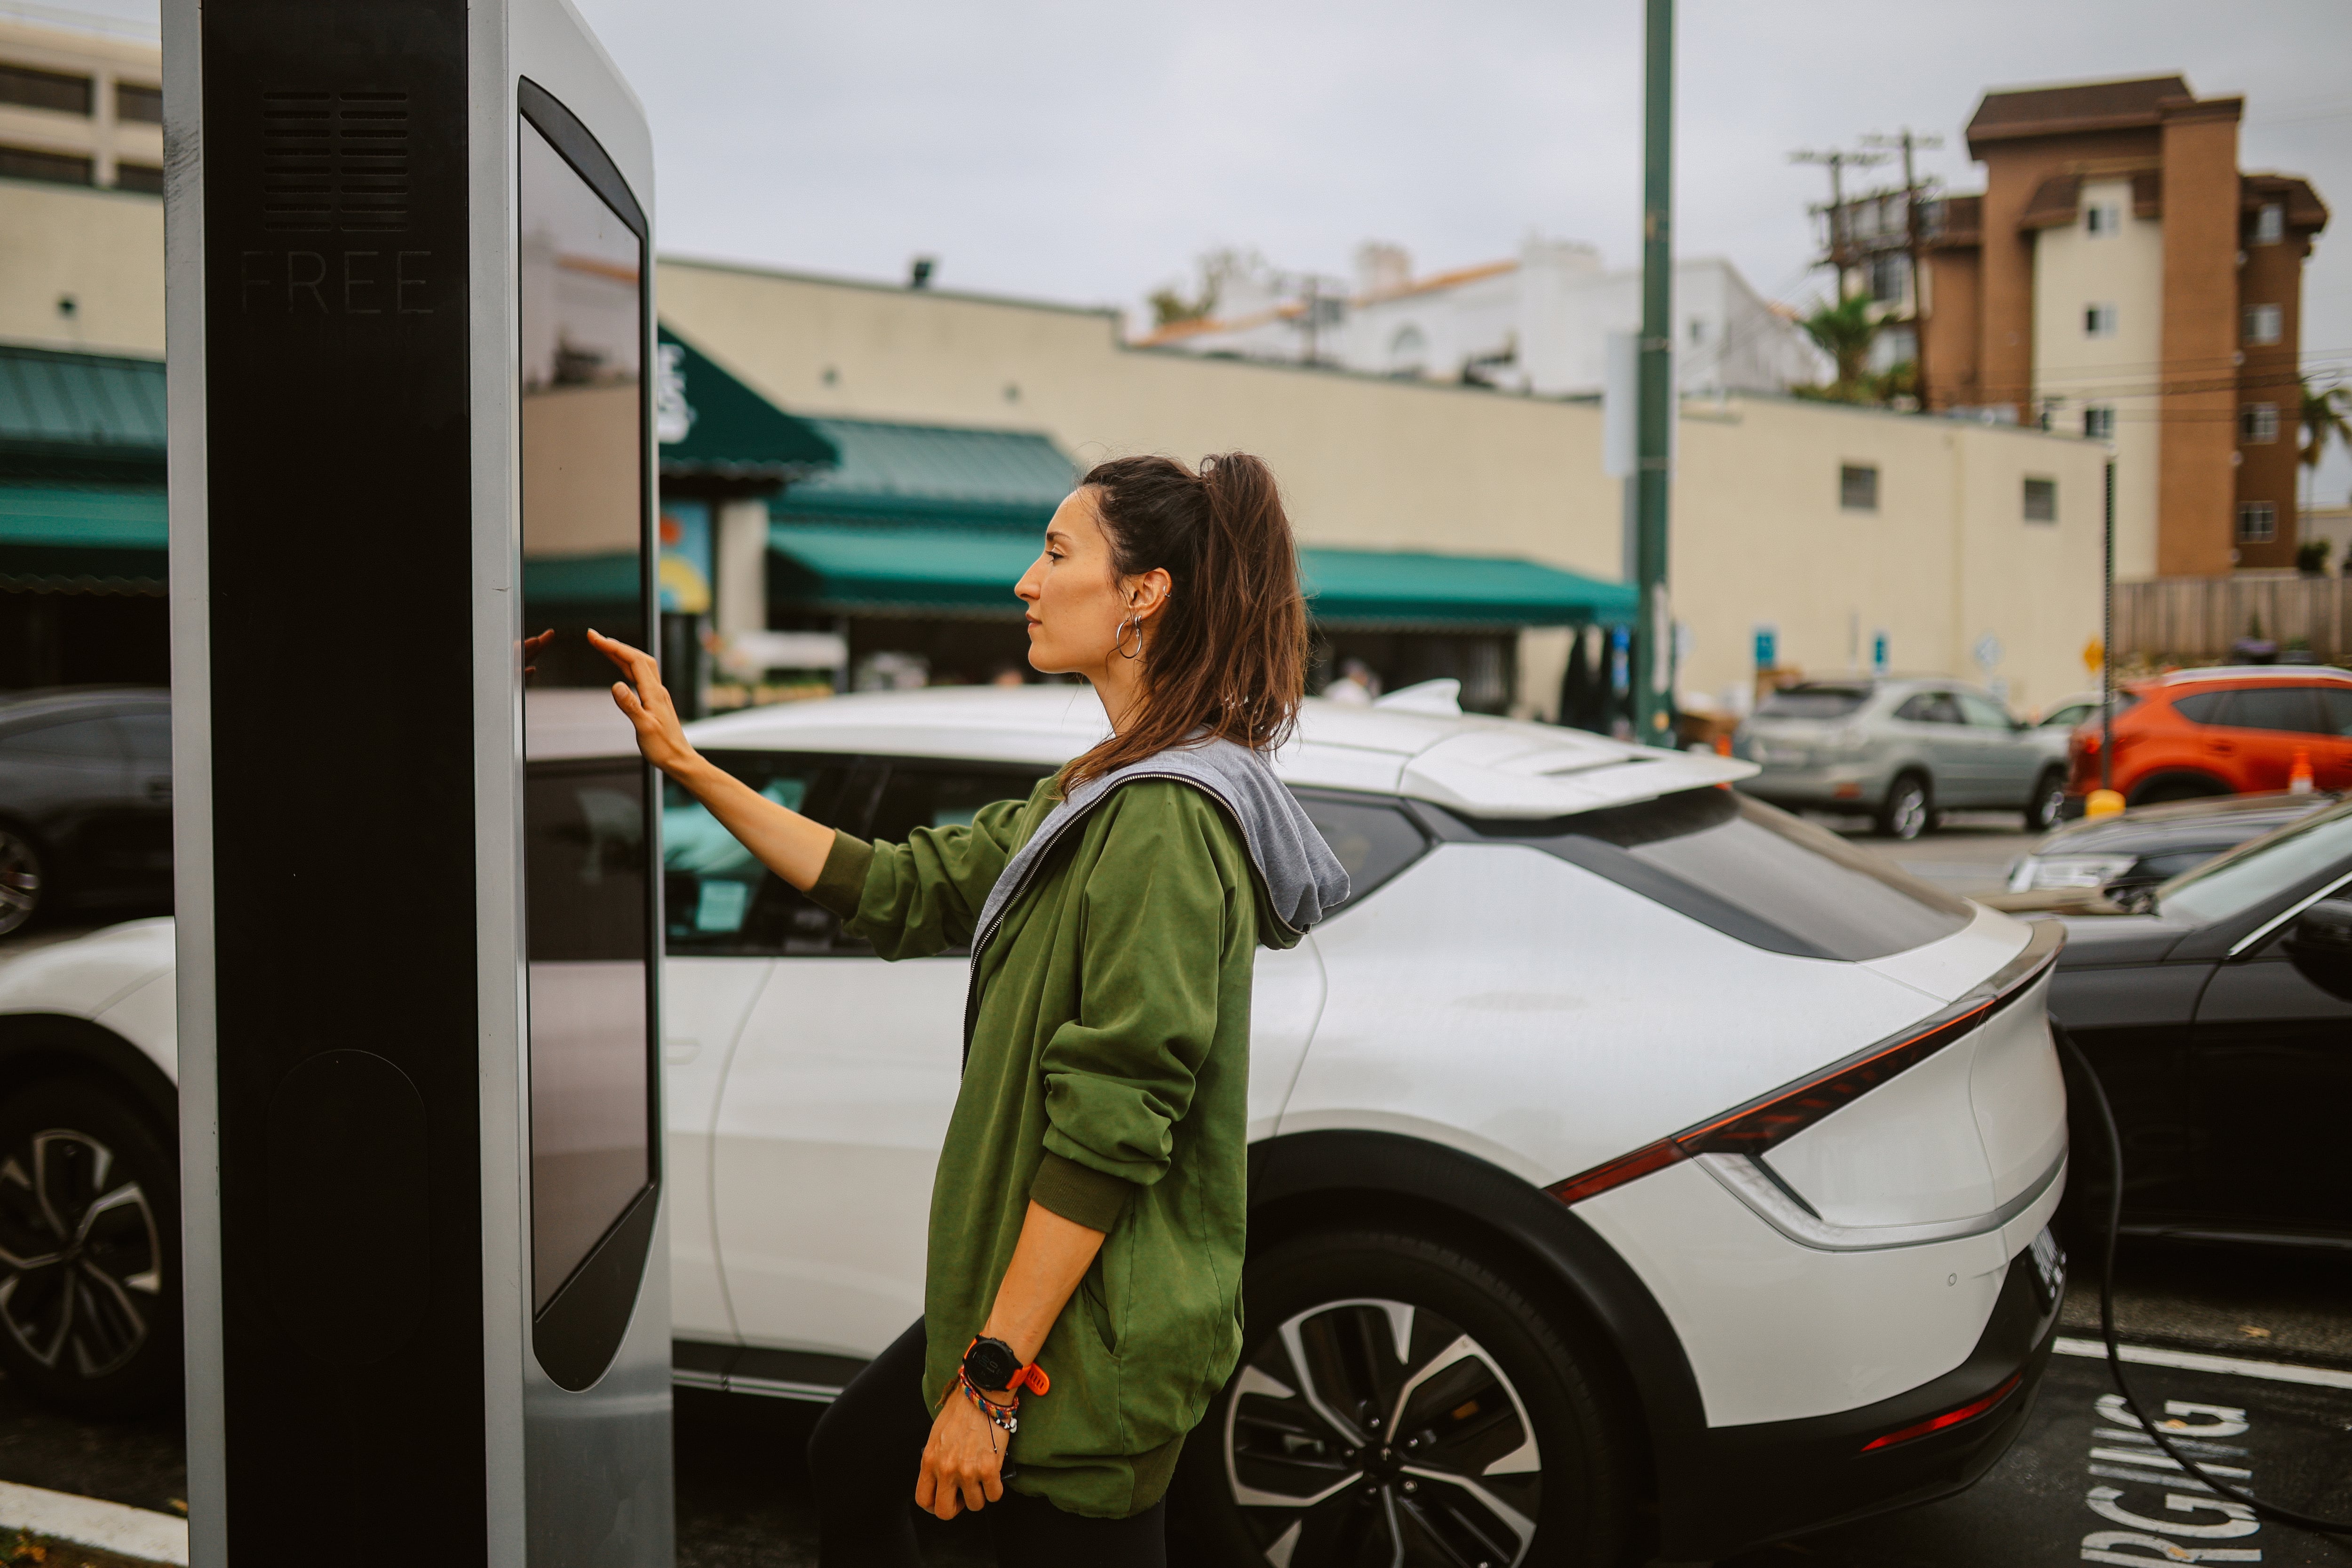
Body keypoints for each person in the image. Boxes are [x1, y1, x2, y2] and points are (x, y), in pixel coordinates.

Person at [588, 452, 1348, 1566]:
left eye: (1054, 552)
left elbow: (1113, 1119)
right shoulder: (1096, 786)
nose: (1023, 584)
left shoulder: (1165, 821)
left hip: (1086, 1337)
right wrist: (687, 764)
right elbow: (900, 884)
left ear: (1144, 593)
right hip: (1043, 1308)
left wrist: (991, 1382)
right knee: (856, 1451)